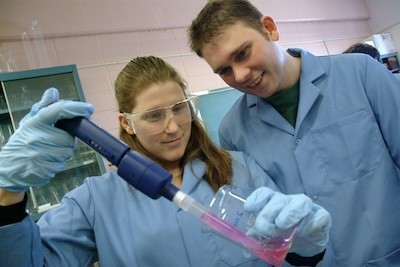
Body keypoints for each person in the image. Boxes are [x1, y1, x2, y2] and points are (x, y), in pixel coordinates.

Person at [0, 56, 331, 266]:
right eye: (154, 115)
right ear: (127, 122)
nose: (173, 126)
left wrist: (307, 246)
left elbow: (286, 251)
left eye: (178, 108)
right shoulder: (94, 201)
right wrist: (7, 198)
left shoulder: (239, 168)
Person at [188, 0, 400, 266]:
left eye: (242, 54)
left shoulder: (360, 74)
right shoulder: (233, 131)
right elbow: (265, 231)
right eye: (225, 71)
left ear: (269, 29)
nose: (240, 75)